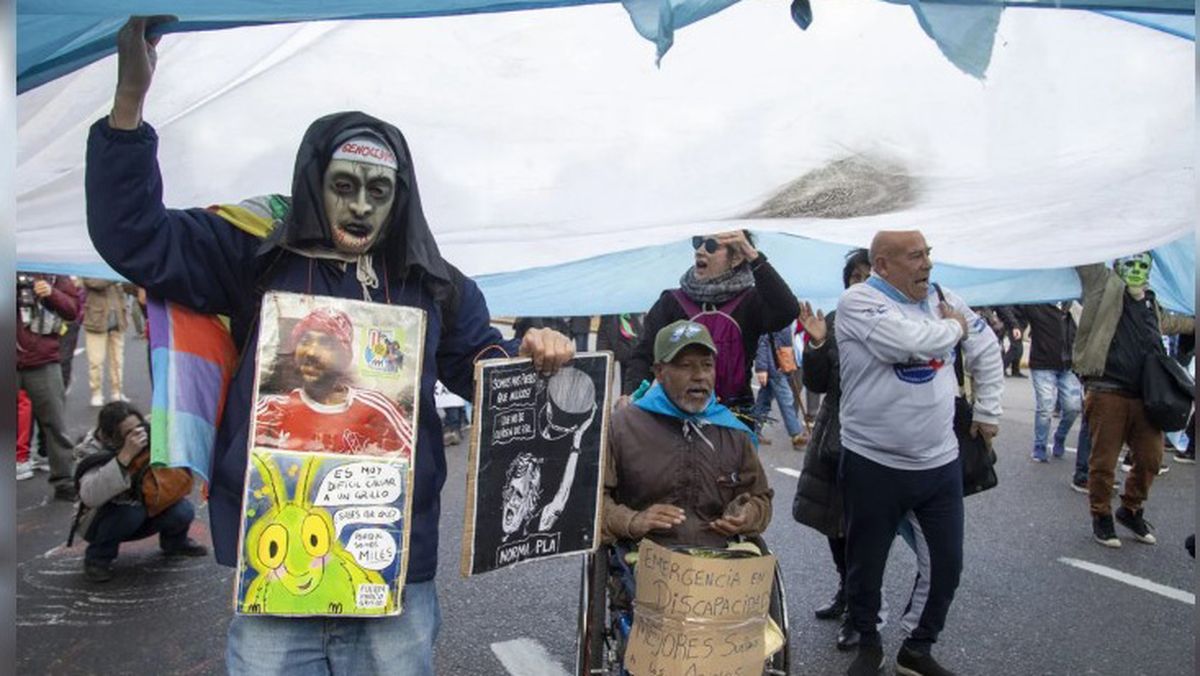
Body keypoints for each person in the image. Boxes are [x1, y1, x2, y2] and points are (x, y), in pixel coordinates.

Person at [86, 17, 574, 675]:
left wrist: (533, 355)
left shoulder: (433, 284)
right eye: (345, 185)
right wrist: (128, 106)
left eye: (379, 190)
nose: (360, 206)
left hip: (394, 562)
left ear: (400, 199)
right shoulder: (253, 256)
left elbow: (485, 371)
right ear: (316, 182)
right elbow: (132, 237)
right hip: (275, 556)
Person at [837, 230, 1003, 676]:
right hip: (873, 462)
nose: (927, 264)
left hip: (939, 462)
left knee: (947, 564)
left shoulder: (944, 296)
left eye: (928, 253)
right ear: (883, 266)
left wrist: (988, 409)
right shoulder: (858, 302)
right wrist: (953, 329)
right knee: (865, 565)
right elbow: (905, 342)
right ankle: (868, 643)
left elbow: (986, 347)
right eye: (915, 257)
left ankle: (918, 646)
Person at [603, 320, 772, 547]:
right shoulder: (623, 427)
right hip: (645, 557)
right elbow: (592, 503)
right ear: (660, 372)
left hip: (721, 561)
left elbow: (760, 499)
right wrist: (632, 521)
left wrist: (747, 515)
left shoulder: (733, 432)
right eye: (685, 366)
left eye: (707, 365)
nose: (699, 375)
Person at [1072, 252, 1194, 548]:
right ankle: (1101, 515)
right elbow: (1082, 255)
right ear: (1117, 265)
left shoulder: (1152, 301)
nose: (1137, 270)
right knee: (1103, 462)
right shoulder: (1103, 284)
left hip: (1145, 396)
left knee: (1151, 458)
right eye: (1131, 264)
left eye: (1143, 265)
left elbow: (1172, 324)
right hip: (1107, 390)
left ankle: (1130, 509)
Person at [622, 231, 800, 423]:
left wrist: (753, 256)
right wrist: (631, 395)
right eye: (697, 242)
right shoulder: (671, 302)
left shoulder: (750, 301)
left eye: (711, 246)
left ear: (736, 257)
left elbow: (787, 310)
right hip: (678, 416)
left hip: (735, 418)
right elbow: (644, 354)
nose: (699, 251)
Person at [71, 401, 207, 582]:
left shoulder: (149, 431)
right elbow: (89, 496)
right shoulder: (89, 450)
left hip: (148, 504)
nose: (137, 435)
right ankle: (97, 559)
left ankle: (175, 544)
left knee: (182, 510)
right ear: (109, 436)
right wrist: (124, 456)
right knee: (131, 513)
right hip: (102, 519)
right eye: (128, 433)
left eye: (139, 428)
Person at [253, 307, 413, 457]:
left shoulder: (379, 409)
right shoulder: (270, 411)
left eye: (326, 344)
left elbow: (410, 468)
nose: (311, 352)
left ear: (344, 357)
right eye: (305, 340)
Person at [17, 272, 81, 501]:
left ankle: (64, 480)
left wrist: (51, 293)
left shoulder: (47, 268)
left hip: (42, 358)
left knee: (55, 423)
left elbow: (72, 309)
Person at [1019, 303, 1083, 462]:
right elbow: (1016, 303)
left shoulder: (1074, 306)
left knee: (1073, 407)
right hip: (1043, 364)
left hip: (1069, 365)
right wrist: (1014, 325)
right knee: (1045, 407)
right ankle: (1039, 445)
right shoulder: (1037, 303)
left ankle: (1060, 436)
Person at [753, 326, 807, 449]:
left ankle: (754, 431)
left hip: (779, 365)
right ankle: (796, 435)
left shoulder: (783, 318)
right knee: (786, 399)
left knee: (764, 401)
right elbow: (762, 343)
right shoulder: (775, 317)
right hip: (775, 367)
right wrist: (761, 368)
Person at [82, 277, 131, 407]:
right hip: (96, 320)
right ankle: (96, 393)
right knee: (96, 361)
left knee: (117, 360)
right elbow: (94, 282)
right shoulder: (92, 268)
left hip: (118, 320)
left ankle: (117, 391)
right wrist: (113, 275)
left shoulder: (115, 272)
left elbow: (129, 287)